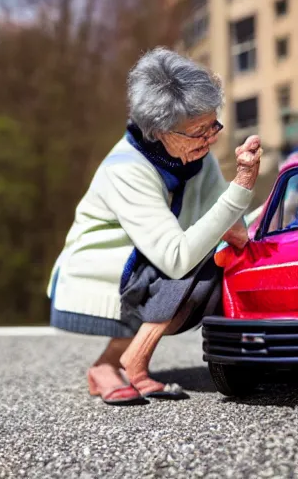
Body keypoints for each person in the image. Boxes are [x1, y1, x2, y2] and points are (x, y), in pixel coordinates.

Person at [47, 48, 262, 405]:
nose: (210, 140)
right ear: (159, 131)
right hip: (106, 273)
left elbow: (226, 219)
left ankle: (116, 365)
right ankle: (119, 364)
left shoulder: (194, 154)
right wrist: (240, 187)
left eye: (214, 125)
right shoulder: (127, 169)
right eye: (198, 132)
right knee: (192, 262)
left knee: (219, 259)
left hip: (149, 264)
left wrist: (250, 239)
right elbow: (176, 258)